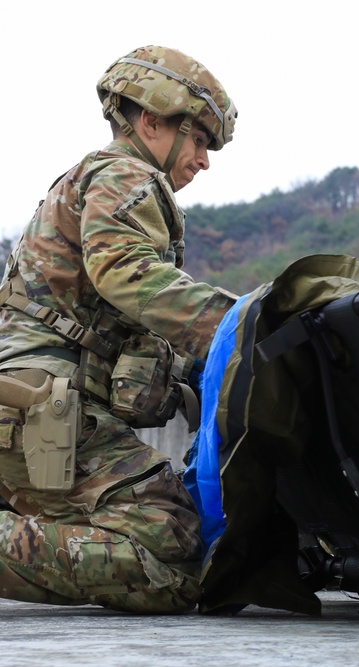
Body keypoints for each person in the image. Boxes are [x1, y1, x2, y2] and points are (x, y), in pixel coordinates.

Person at [0, 46, 238, 612]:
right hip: (42, 413)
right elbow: (125, 274)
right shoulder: (126, 173)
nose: (204, 160)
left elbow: (120, 329)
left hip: (33, 407)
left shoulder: (98, 180)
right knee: (173, 548)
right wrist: (246, 324)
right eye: (199, 140)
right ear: (152, 121)